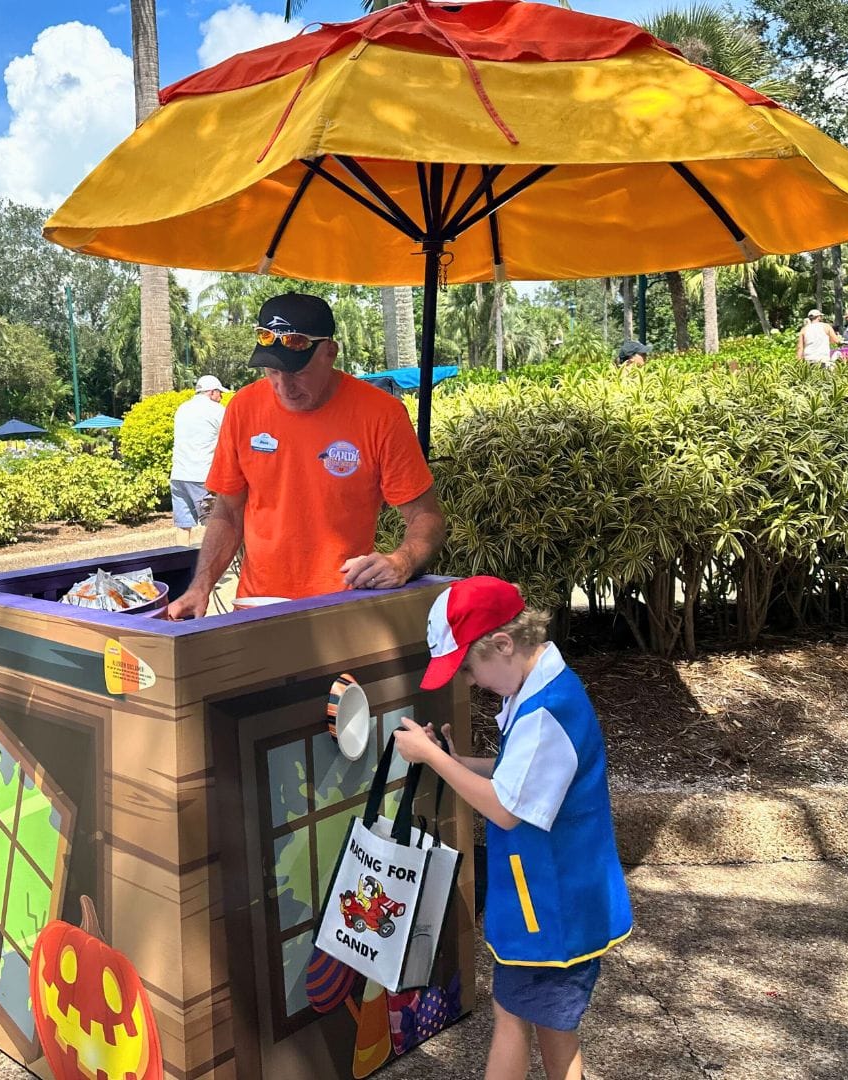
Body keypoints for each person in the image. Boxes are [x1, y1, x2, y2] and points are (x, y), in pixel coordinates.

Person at [393, 577, 632, 1080]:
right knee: (551, 1026)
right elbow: (516, 777)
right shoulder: (541, 691)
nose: (471, 682)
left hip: (549, 907)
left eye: (469, 669)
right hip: (550, 902)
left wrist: (435, 760)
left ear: (503, 645)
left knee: (513, 1018)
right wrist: (460, 760)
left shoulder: (547, 710)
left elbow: (505, 808)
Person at [165, 293, 445, 617]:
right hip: (256, 608)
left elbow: (427, 517)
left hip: (342, 608)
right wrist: (201, 585)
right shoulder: (243, 408)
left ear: (330, 352)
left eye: (297, 372)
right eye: (272, 371)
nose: (284, 386)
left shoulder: (381, 415)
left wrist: (403, 561)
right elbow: (228, 512)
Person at [170, 374, 227, 546]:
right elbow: (230, 437)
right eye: (219, 393)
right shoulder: (216, 410)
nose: (221, 397)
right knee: (214, 524)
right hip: (202, 475)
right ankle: (214, 569)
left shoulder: (183, 408)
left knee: (183, 526)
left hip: (178, 475)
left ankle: (180, 567)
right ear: (211, 392)